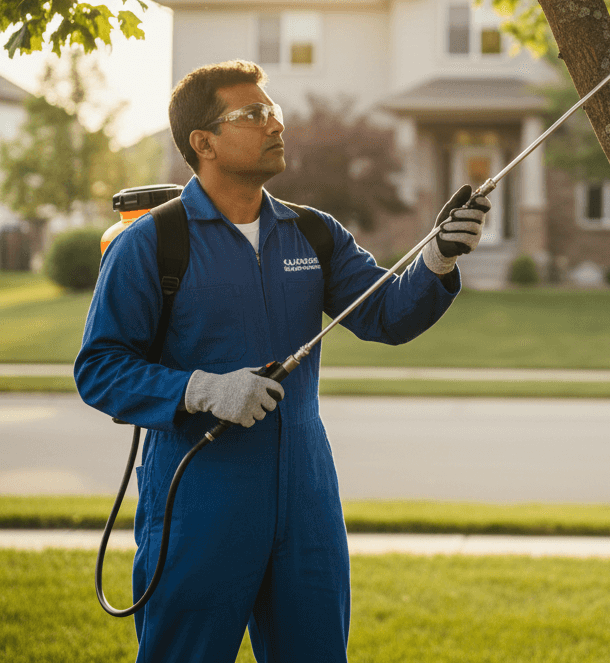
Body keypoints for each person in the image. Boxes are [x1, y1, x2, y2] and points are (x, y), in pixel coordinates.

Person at [75, 60, 490, 663]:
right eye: (253, 114)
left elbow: (386, 314)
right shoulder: (152, 244)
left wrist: (439, 260)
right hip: (198, 501)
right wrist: (201, 390)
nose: (275, 124)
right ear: (203, 142)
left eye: (274, 111)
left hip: (307, 503)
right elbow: (100, 368)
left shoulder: (313, 234)